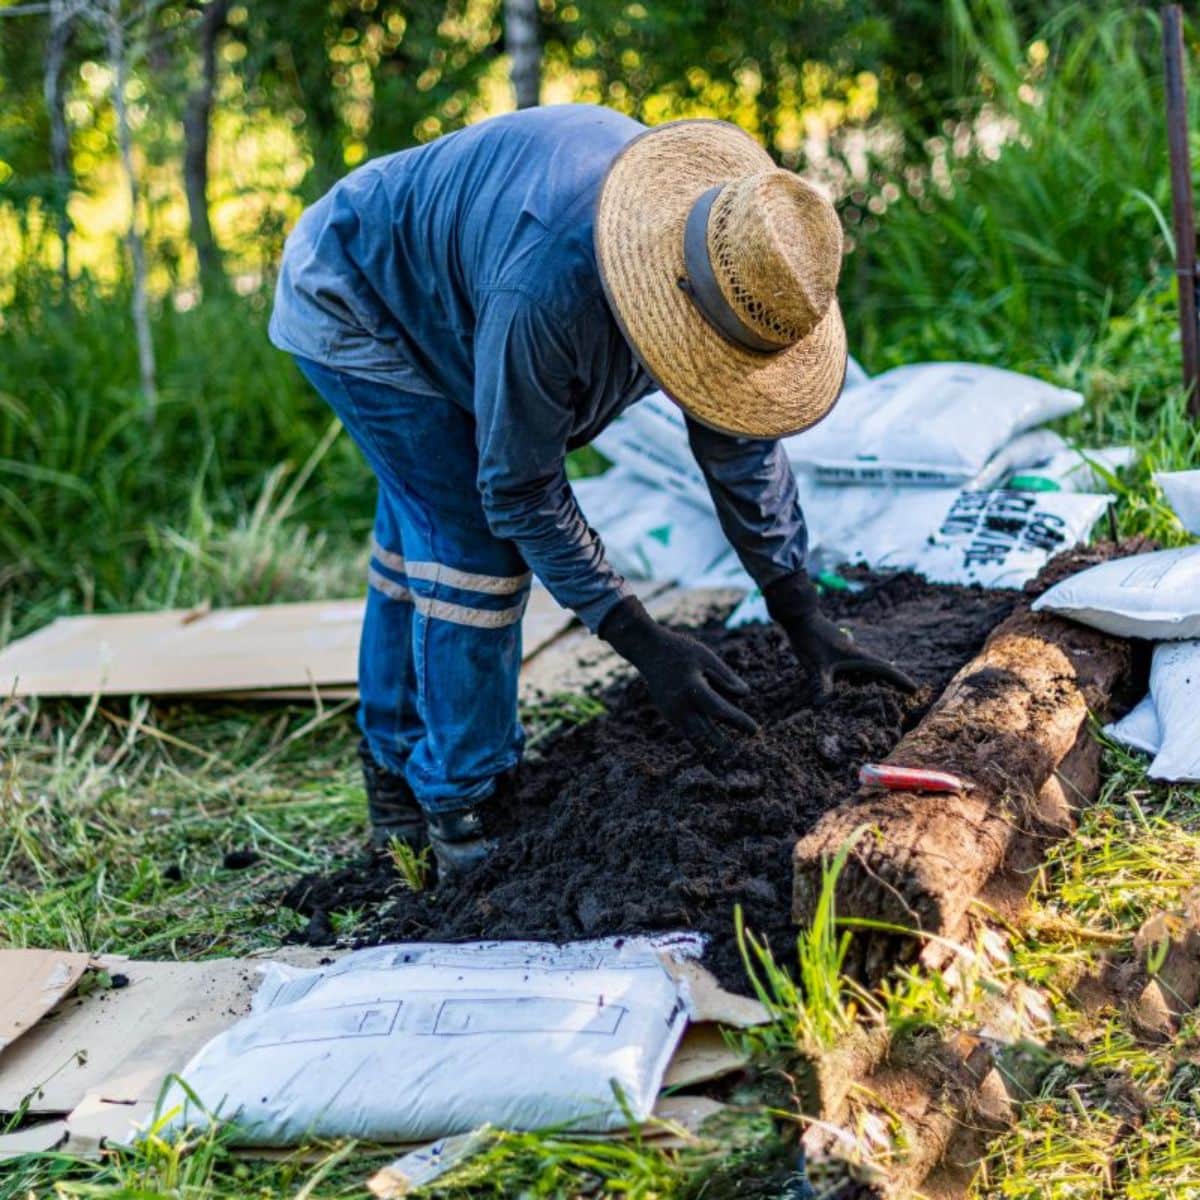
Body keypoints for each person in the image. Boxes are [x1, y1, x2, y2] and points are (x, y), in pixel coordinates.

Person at [269, 104, 913, 875]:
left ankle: (403, 773)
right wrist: (640, 639)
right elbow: (519, 489)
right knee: (471, 545)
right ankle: (461, 804)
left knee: (424, 526)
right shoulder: (553, 292)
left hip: (463, 292)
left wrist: (798, 607)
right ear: (670, 299)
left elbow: (738, 445)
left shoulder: (737, 258)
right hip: (358, 292)